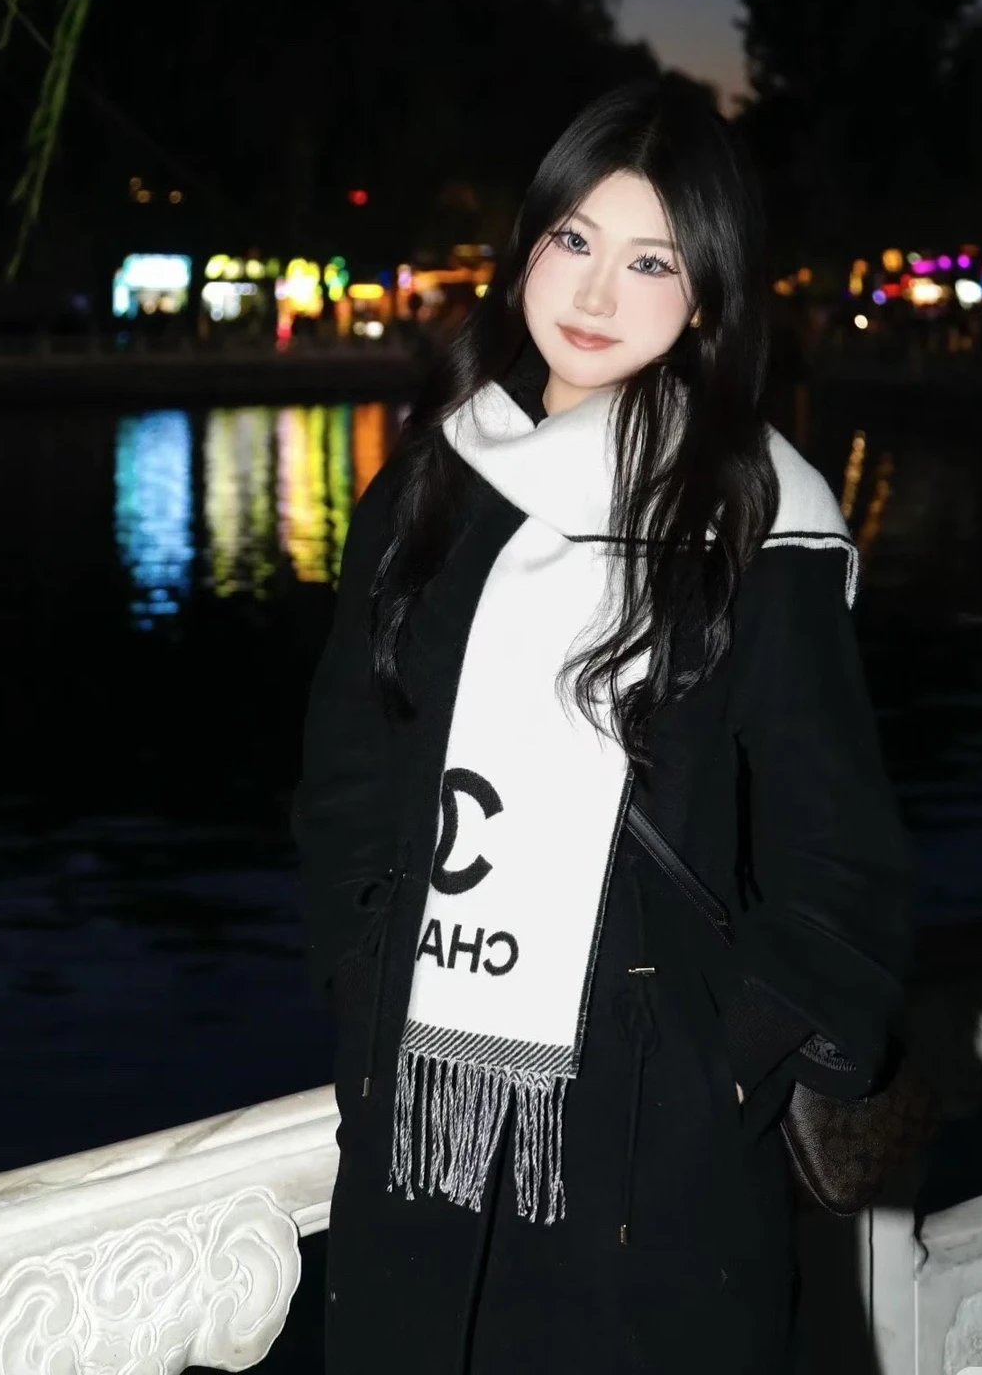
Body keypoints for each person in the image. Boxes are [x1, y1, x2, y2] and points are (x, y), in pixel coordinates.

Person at [292, 76, 914, 1375]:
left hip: (651, 1150)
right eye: (574, 239)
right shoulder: (432, 487)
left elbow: (838, 857)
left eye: (650, 262)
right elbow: (350, 776)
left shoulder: (755, 519)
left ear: (707, 298)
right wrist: (365, 988)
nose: (592, 293)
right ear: (528, 243)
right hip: (422, 1110)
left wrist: (718, 1071)